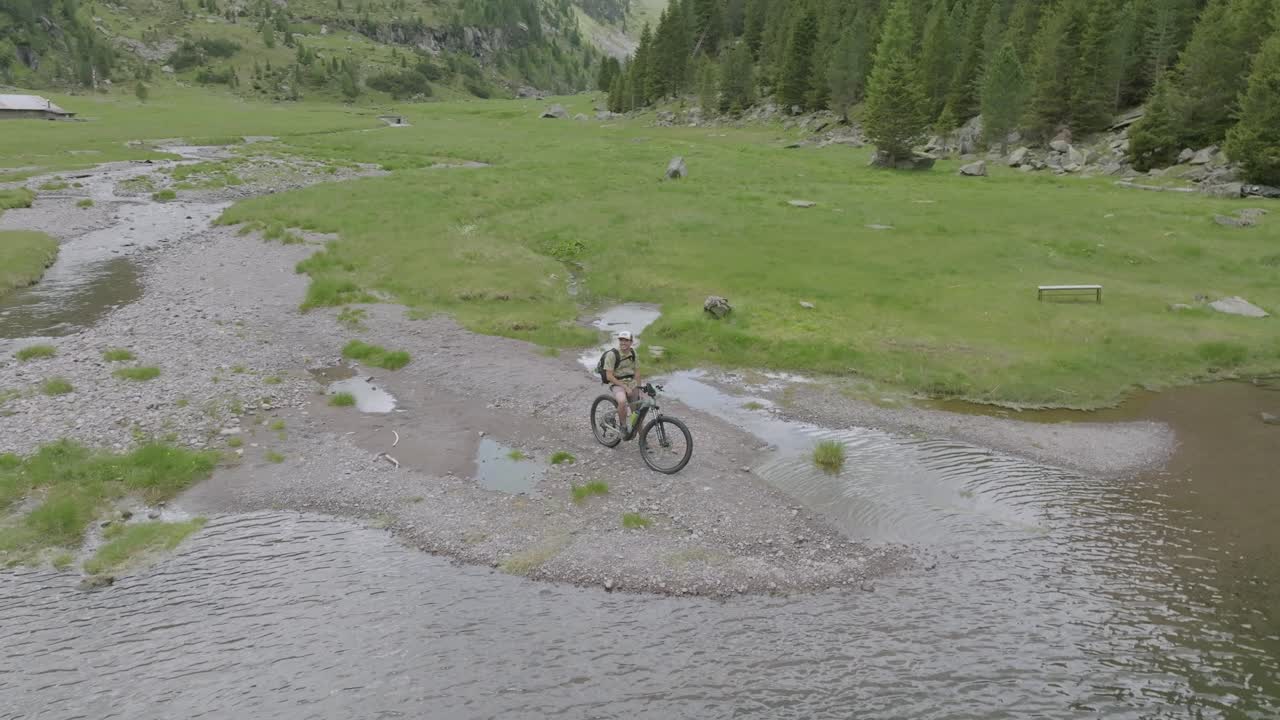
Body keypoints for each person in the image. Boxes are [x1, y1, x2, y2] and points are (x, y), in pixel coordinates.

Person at [603, 330, 641, 438]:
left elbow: (637, 372)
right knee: (622, 401)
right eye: (621, 340)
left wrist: (640, 388)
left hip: (631, 383)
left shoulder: (633, 353)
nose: (623, 342)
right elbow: (609, 376)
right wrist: (624, 387)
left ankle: (643, 440)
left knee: (637, 412)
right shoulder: (612, 354)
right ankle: (623, 426)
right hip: (617, 383)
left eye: (626, 340)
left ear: (631, 342)